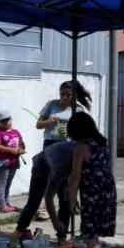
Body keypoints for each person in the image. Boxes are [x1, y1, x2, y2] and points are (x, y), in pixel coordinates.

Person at [67, 112, 116, 248]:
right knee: (94, 227)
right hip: (107, 188)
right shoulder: (101, 143)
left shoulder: (81, 147)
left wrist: (72, 200)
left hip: (93, 191)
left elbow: (75, 176)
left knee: (90, 230)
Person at [34, 80, 93, 220]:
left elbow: (84, 131)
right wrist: (48, 122)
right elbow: (38, 124)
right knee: (51, 178)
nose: (65, 97)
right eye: (62, 94)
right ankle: (47, 207)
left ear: (74, 95)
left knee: (66, 180)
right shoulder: (51, 104)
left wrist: (72, 132)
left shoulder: (78, 109)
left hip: (67, 146)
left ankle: (68, 205)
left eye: (68, 95)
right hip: (50, 144)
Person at [13, 141, 77, 243]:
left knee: (66, 200)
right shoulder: (60, 166)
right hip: (41, 167)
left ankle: (62, 237)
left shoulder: (84, 153)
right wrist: (55, 222)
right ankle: (18, 231)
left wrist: (72, 194)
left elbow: (75, 178)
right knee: (34, 202)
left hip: (60, 161)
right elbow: (48, 197)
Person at [0, 109, 25, 212]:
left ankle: (6, 202)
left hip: (14, 163)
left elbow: (21, 143)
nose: (6, 122)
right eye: (2, 121)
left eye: (7, 120)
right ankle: (2, 205)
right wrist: (11, 150)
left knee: (8, 183)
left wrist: (21, 150)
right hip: (2, 163)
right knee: (2, 184)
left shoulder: (16, 132)